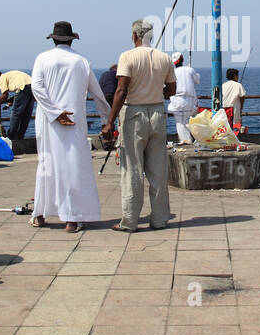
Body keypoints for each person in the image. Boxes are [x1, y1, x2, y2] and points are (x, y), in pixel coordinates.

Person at [29, 21, 113, 233]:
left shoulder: (42, 58)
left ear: (54, 39)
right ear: (71, 39)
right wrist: (106, 120)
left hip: (48, 121)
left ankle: (40, 214)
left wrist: (55, 113)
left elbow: (36, 88)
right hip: (74, 120)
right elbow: (97, 93)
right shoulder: (81, 61)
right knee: (73, 167)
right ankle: (72, 219)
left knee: (46, 164)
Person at [103, 18, 176, 232]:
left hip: (133, 114)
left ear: (135, 36)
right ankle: (160, 219)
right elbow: (171, 90)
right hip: (157, 113)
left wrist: (109, 122)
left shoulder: (127, 56)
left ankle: (130, 221)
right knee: (158, 170)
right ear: (150, 37)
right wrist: (155, 93)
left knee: (132, 170)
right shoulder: (164, 58)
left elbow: (121, 90)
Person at [0, 68, 34, 140]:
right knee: (26, 115)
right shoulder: (11, 75)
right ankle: (20, 136)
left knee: (15, 114)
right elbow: (21, 95)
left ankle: (11, 137)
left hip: (22, 89)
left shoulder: (2, 78)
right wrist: (11, 101)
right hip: (32, 88)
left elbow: (5, 95)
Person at [169, 53, 201, 143]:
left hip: (177, 103)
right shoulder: (190, 70)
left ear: (173, 62)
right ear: (182, 60)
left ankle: (186, 142)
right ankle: (199, 140)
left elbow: (166, 87)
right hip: (191, 103)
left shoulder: (172, 72)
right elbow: (197, 81)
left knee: (181, 124)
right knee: (193, 122)